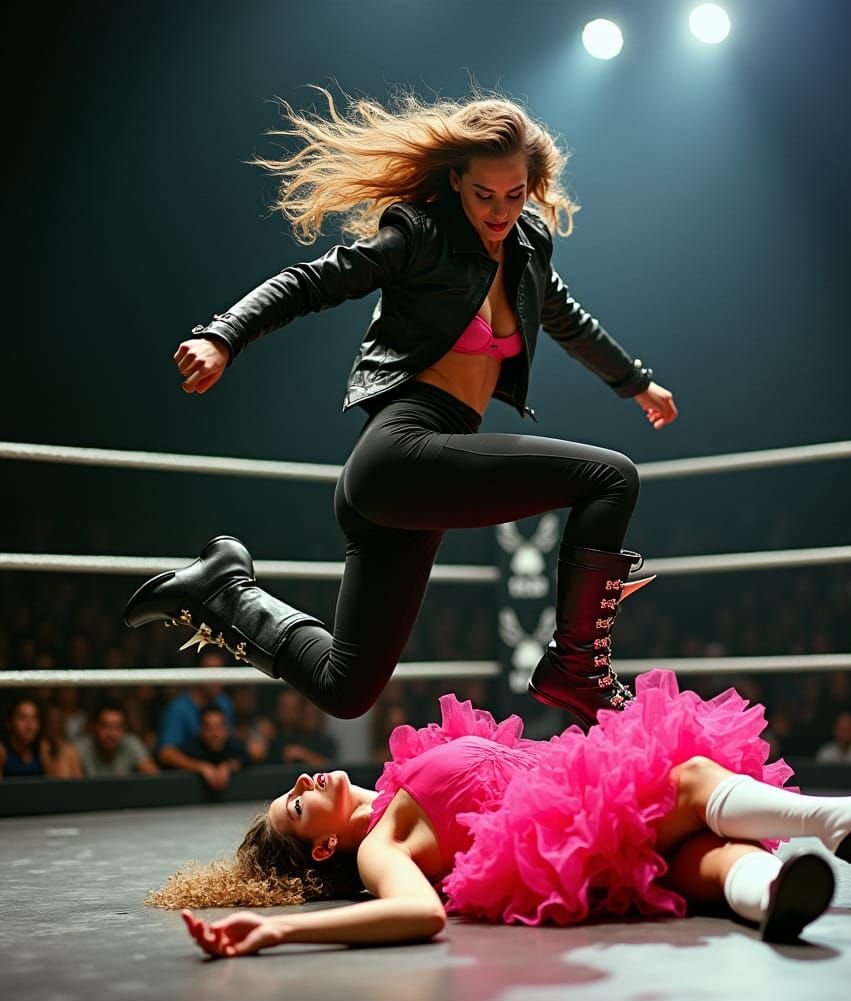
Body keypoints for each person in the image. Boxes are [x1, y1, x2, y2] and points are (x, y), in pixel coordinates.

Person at [123, 86, 678, 730]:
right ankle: (577, 665)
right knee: (611, 478)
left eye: (514, 195)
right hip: (402, 454)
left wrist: (635, 383)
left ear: (532, 185)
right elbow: (310, 281)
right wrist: (224, 334)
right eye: (483, 195)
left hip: (418, 485)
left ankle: (223, 592)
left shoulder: (528, 248)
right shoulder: (419, 235)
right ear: (455, 181)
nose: (500, 212)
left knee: (346, 687)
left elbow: (565, 319)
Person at [145, 670, 851, 952]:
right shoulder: (384, 843)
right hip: (566, 831)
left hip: (575, 798)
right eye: (294, 807)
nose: (303, 782)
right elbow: (418, 917)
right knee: (689, 776)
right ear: (321, 852)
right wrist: (280, 927)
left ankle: (773, 901)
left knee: (699, 861)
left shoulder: (392, 788)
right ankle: (835, 821)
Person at [74, 699, 160, 777]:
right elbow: (73, 788)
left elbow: (154, 777)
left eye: (117, 727)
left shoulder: (131, 743)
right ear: (95, 727)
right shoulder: (80, 748)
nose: (111, 734)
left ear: (124, 729)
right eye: (105, 726)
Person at [178, 705, 251, 792]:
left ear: (226, 729)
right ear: (201, 730)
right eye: (210, 728)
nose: (215, 734)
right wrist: (201, 767)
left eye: (219, 728)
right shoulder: (192, 748)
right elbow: (174, 760)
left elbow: (247, 757)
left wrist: (228, 766)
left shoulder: (233, 745)